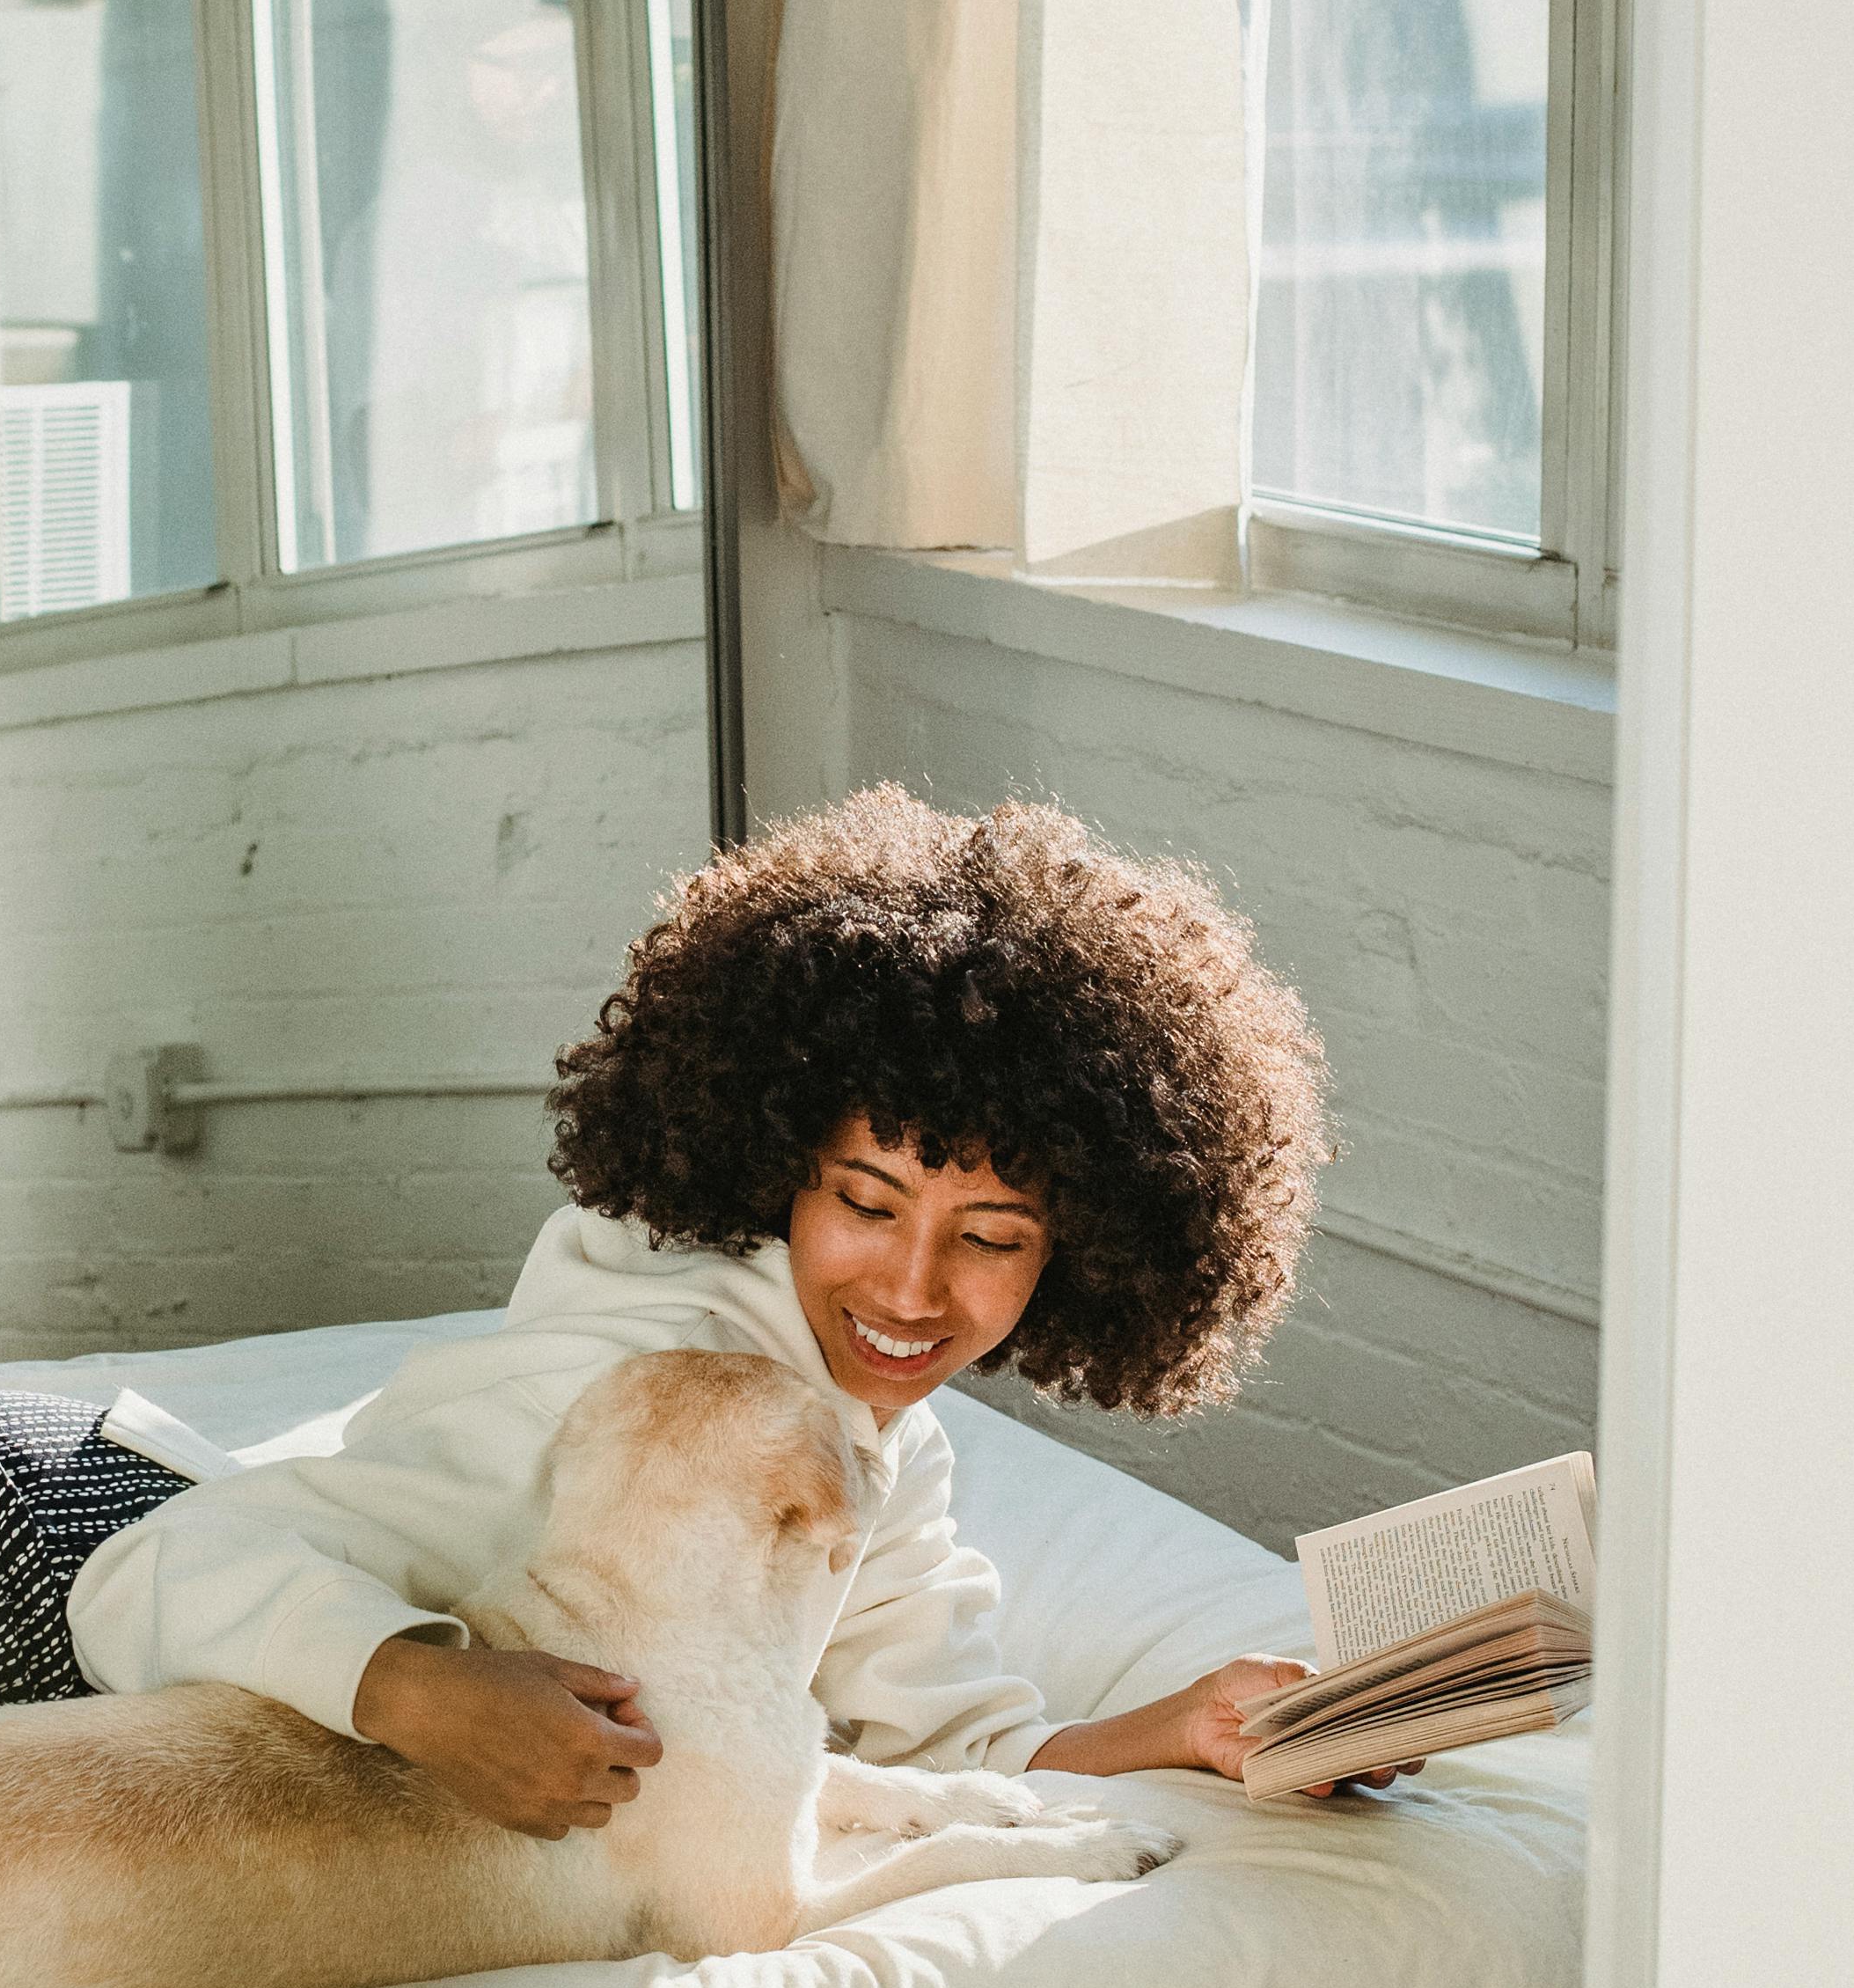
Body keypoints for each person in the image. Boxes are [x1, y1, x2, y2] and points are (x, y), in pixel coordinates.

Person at [70, 782, 1342, 1833]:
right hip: (6, 1552)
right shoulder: (634, 1391)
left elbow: (961, 1755)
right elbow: (141, 1576)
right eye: (865, 1200)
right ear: (776, 1166)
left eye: (990, 1238)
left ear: (1079, 1256)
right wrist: (424, 1692)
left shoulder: (877, 1443)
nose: (910, 1289)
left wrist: (1188, 1729)